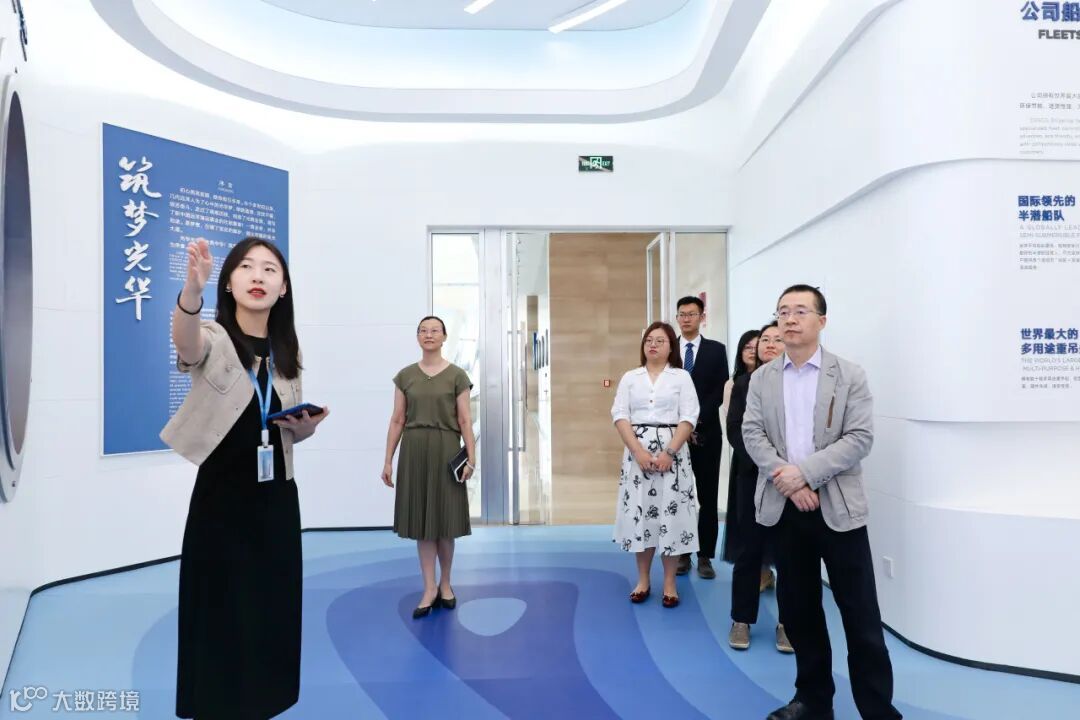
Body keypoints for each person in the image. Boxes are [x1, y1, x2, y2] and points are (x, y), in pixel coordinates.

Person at [163, 237, 329, 720]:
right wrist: (191, 291)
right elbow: (186, 344)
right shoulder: (214, 337)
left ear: (283, 288)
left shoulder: (287, 351)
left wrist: (305, 428)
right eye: (247, 267)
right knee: (219, 613)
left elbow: (284, 426)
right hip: (221, 500)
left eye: (270, 269)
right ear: (230, 283)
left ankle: (264, 703)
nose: (259, 276)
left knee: (272, 610)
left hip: (277, 500)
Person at [743, 285, 900, 720]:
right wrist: (789, 480)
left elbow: (859, 438)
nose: (790, 319)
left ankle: (878, 710)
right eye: (783, 311)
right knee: (800, 612)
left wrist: (806, 474)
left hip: (839, 511)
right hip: (785, 507)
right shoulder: (762, 379)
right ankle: (813, 700)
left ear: (821, 321)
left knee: (860, 616)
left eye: (800, 311)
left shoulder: (849, 375)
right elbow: (752, 433)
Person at [382, 316, 476, 618]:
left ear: (445, 337)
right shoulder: (405, 376)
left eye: (435, 330)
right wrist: (388, 459)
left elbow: (465, 420)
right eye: (423, 330)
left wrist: (471, 458)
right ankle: (429, 587)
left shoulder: (458, 375)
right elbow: (397, 419)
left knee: (445, 523)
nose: (429, 335)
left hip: (446, 449)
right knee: (423, 525)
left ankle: (446, 584)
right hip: (414, 451)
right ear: (417, 337)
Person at [611, 322, 700, 608]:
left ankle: (670, 582)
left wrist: (669, 452)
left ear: (671, 346)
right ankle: (643, 580)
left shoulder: (681, 377)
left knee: (671, 516)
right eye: (649, 340)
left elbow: (689, 416)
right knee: (643, 515)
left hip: (673, 453)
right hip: (637, 454)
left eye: (660, 340)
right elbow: (620, 415)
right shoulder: (630, 377)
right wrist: (638, 451)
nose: (653, 344)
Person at [725, 323, 792, 653]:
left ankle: (788, 623)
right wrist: (768, 463)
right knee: (749, 551)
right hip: (752, 476)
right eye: (765, 339)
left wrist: (787, 469)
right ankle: (741, 619)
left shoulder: (797, 383)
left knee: (790, 553)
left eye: (777, 339)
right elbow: (735, 431)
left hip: (791, 480)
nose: (769, 344)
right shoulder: (744, 384)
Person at [674, 296, 729, 579]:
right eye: (682, 314)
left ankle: (705, 555)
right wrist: (681, 426)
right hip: (674, 437)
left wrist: (694, 421)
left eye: (691, 314)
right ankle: (682, 553)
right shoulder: (669, 350)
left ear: (701, 317)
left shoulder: (716, 350)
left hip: (707, 434)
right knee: (681, 496)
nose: (686, 319)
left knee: (708, 497)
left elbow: (719, 390)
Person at [720, 328, 761, 566]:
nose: (752, 351)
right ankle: (755, 570)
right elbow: (732, 423)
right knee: (746, 514)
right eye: (747, 347)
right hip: (745, 456)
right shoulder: (733, 384)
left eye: (756, 346)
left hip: (774, 460)